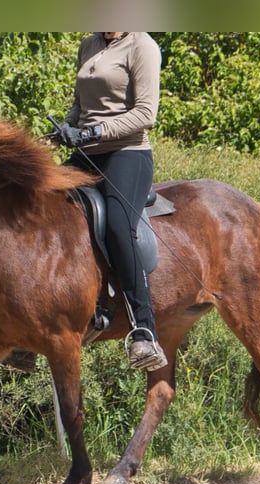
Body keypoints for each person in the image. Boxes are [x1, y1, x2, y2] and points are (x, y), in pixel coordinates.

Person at [56, 32, 167, 371]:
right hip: (85, 155)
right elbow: (81, 105)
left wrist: (93, 132)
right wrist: (68, 126)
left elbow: (146, 113)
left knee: (119, 226)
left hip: (127, 154)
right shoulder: (88, 46)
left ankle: (144, 330)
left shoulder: (141, 46)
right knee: (39, 208)